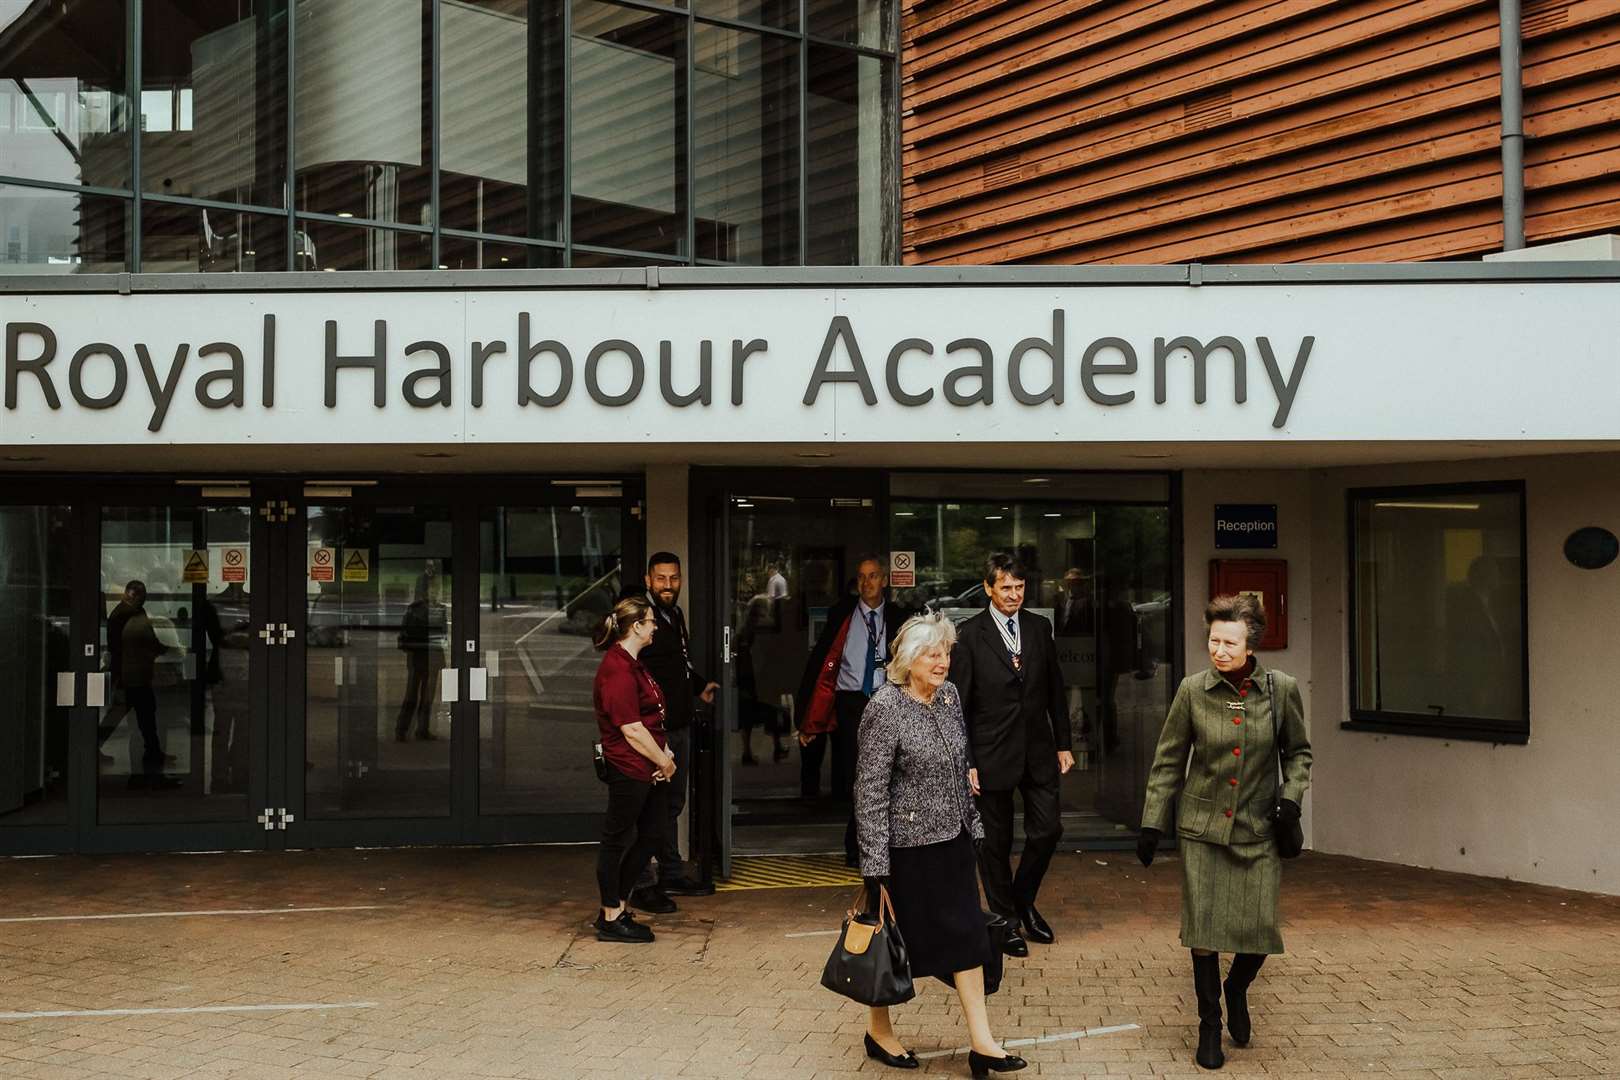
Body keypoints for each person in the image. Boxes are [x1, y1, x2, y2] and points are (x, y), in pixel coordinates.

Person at [1136, 593, 1312, 1071]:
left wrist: (1292, 797)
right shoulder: (1193, 691)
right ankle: (1209, 1024)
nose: (1219, 650)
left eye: (1229, 642)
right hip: (1203, 828)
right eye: (1213, 640)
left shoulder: (1280, 689)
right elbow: (1169, 759)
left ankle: (1237, 988)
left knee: (1257, 932)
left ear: (1250, 643)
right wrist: (1153, 820)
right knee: (1204, 931)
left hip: (1258, 828)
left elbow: (1299, 753)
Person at [853, 611, 1026, 1077]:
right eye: (932, 654)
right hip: (905, 851)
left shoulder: (948, 698)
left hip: (952, 841)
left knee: (970, 938)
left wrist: (976, 828)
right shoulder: (884, 708)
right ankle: (878, 1030)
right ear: (909, 660)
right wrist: (874, 862)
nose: (942, 662)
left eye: (946, 652)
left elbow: (958, 768)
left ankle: (982, 1042)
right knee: (891, 944)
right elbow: (869, 790)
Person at [949, 553, 1073, 957]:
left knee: (1048, 829)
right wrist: (966, 760)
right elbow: (959, 705)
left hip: (1037, 749)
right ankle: (1006, 922)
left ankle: (1022, 899)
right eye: (1006, 587)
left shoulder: (1039, 628)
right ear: (988, 588)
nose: (1014, 595)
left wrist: (1063, 742)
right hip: (989, 754)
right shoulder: (969, 635)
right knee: (994, 844)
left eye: (1020, 588)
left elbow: (1055, 688)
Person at [795, 554, 910, 864]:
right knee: (854, 775)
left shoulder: (899, 617)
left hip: (887, 700)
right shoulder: (841, 614)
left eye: (873, 576)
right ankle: (856, 844)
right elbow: (819, 664)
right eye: (861, 577)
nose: (867, 582)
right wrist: (806, 717)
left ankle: (877, 845)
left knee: (886, 772)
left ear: (884, 580)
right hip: (851, 703)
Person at [625, 552, 719, 909]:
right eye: (661, 579)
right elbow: (635, 669)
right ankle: (644, 882)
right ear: (648, 581)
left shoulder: (674, 615)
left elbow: (676, 663)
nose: (668, 585)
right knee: (651, 807)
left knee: (671, 804)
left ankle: (670, 872)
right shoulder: (640, 618)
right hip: (653, 731)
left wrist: (698, 686)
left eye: (674, 578)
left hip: (678, 724)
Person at [592, 595, 678, 944]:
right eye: (651, 620)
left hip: (649, 764)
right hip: (629, 767)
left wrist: (663, 753)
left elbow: (651, 718)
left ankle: (619, 905)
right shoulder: (616, 668)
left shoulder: (634, 663)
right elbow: (631, 728)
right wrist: (664, 761)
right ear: (637, 626)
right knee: (617, 838)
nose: (655, 625)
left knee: (652, 834)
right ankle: (610, 914)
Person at [395, 569, 447, 741]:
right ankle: (404, 729)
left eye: (436, 588)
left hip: (426, 657)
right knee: (412, 694)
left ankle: (419, 729)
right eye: (432, 588)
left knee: (427, 696)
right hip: (420, 656)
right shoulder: (416, 610)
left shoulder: (438, 609)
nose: (435, 592)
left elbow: (443, 634)